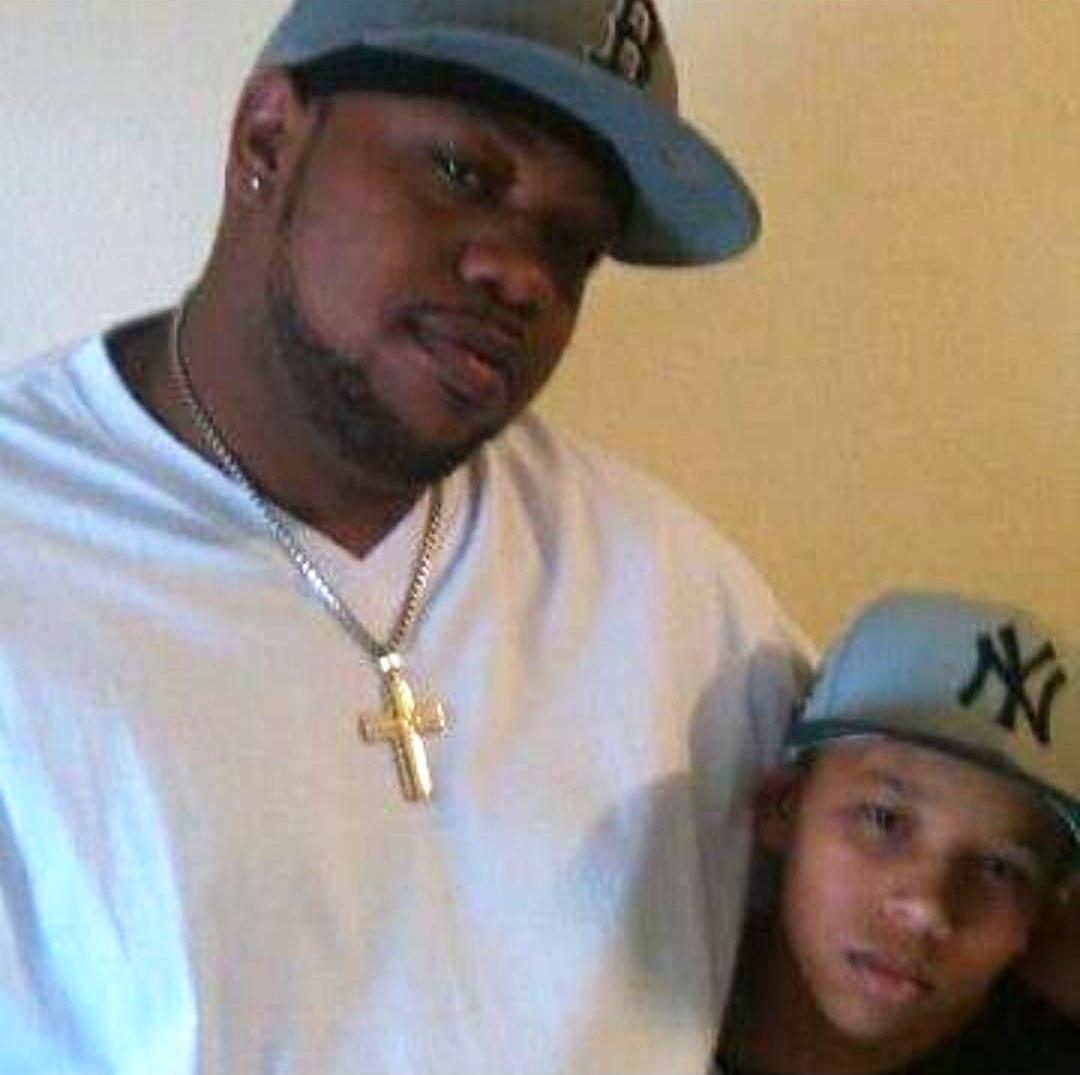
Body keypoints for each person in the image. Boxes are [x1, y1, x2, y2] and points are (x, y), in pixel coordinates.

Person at [0, 2, 808, 1072]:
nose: (522, 275)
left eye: (573, 244)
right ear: (268, 140)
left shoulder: (682, 604)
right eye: (464, 174)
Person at [716, 590, 1080, 1075]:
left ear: (1040, 915)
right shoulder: (642, 972)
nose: (926, 909)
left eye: (999, 868)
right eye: (884, 820)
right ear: (784, 805)